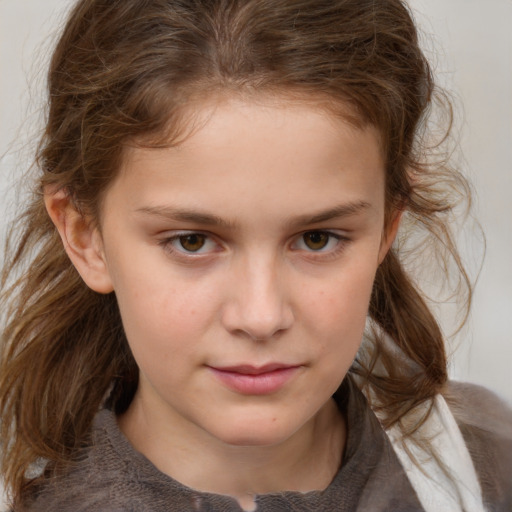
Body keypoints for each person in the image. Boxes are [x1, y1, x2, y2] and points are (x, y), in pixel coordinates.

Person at [0, 0, 510, 510]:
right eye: (192, 241)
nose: (261, 316)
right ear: (85, 235)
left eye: (317, 238)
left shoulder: (490, 465)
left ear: (386, 227)